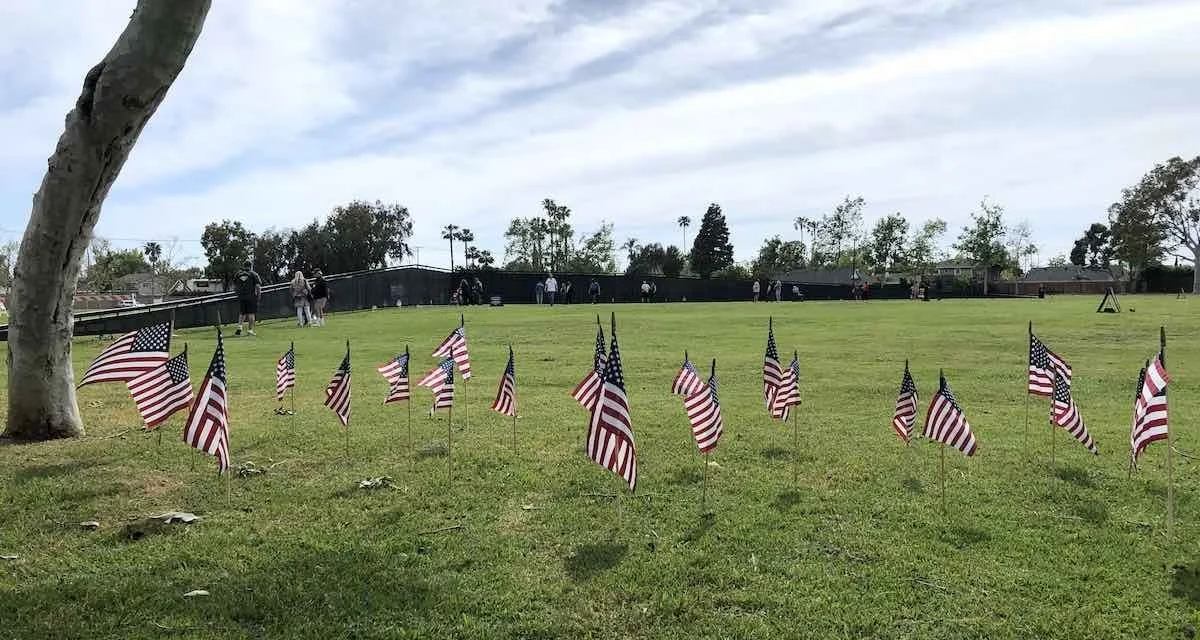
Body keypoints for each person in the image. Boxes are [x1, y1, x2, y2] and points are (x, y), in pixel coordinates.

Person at [234, 260, 261, 336]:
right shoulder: (253, 274)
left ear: (244, 266)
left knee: (242, 313)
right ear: (251, 266)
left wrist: (238, 293)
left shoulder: (238, 274)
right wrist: (259, 295)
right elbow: (258, 286)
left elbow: (235, 285)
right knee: (251, 314)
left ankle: (239, 327)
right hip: (251, 296)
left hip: (241, 297)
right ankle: (250, 330)